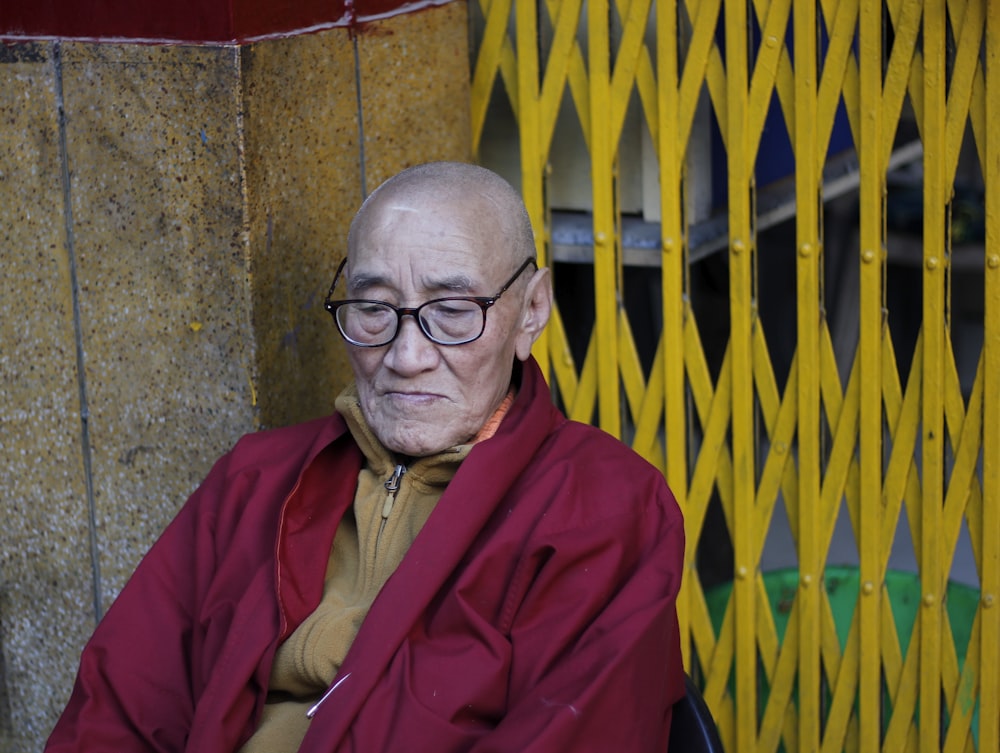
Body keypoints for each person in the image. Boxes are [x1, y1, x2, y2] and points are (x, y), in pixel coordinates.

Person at [45, 161, 686, 753]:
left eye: (454, 312)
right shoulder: (256, 480)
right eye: (375, 309)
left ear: (531, 313)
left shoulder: (604, 509)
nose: (407, 358)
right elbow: (118, 709)